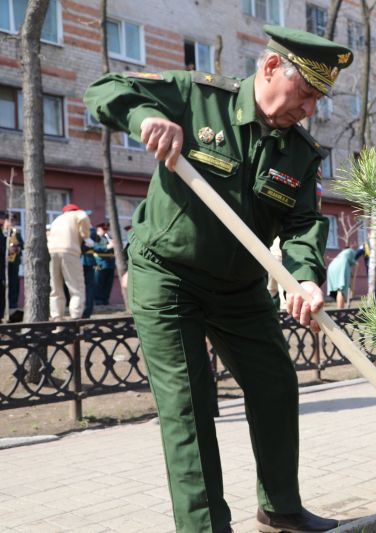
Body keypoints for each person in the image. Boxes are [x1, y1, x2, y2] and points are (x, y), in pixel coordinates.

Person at [84, 25, 354, 533]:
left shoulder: (300, 153)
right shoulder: (199, 98)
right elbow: (104, 88)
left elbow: (303, 226)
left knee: (275, 383)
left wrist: (306, 279)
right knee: (188, 402)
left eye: (319, 98)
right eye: (306, 93)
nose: (310, 108)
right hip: (168, 275)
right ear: (271, 69)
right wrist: (149, 117)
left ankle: (280, 508)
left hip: (240, 288)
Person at [47, 203, 90, 321]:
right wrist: (85, 235)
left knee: (55, 287)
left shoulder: (57, 219)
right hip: (70, 251)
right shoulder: (78, 213)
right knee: (76, 286)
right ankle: (76, 317)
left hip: (52, 252)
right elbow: (83, 217)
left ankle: (56, 317)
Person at [3, 213, 23, 312]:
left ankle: (13, 305)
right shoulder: (2, 232)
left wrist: (17, 248)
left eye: (14, 221)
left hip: (14, 262)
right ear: (5, 221)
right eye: (10, 220)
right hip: (4, 263)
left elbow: (22, 246)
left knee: (14, 284)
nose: (12, 223)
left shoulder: (16, 233)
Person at [92, 222, 116, 306]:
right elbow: (95, 248)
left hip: (110, 264)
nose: (106, 231)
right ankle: (98, 301)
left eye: (107, 229)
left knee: (108, 284)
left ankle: (105, 300)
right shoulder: (95, 238)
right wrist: (107, 247)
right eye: (104, 229)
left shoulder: (109, 237)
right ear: (98, 229)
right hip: (100, 263)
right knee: (98, 284)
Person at [80, 228, 96, 319]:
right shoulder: (91, 231)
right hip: (87, 261)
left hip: (82, 261)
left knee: (86, 288)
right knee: (88, 288)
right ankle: (86, 311)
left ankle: (86, 311)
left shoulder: (91, 231)